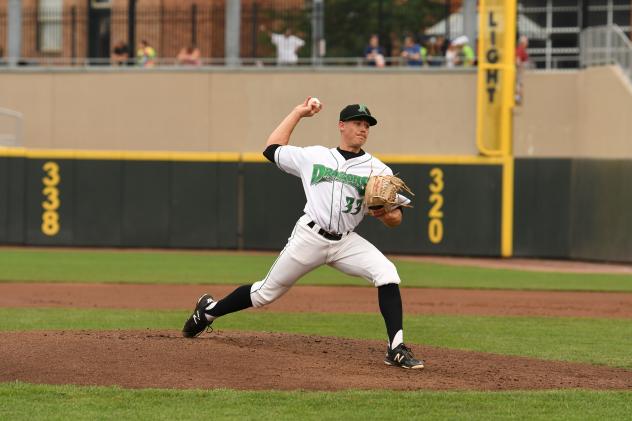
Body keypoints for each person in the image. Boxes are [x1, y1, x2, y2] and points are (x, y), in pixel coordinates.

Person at [182, 98, 424, 370]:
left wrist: (388, 215)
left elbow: (396, 218)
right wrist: (298, 113)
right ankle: (208, 311)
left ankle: (396, 348)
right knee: (264, 294)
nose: (363, 128)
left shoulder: (379, 170)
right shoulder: (315, 156)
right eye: (357, 122)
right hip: (310, 237)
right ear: (341, 126)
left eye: (367, 124)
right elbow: (271, 149)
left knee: (387, 273)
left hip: (345, 241)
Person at [515, 35, 530, 105]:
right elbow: (518, 61)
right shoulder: (520, 49)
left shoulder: (522, 49)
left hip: (520, 72)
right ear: (523, 42)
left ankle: (518, 97)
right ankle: (517, 97)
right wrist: (524, 65)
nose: (528, 43)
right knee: (519, 84)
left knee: (519, 84)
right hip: (519, 72)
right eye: (527, 41)